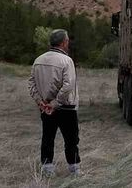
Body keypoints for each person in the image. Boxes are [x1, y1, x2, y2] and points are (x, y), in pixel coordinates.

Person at [28, 29, 81, 177]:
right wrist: (55, 103)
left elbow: (31, 84)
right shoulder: (66, 61)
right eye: (68, 40)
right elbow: (68, 85)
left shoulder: (38, 60)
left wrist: (41, 102)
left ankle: (47, 170)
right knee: (71, 140)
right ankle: (74, 170)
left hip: (46, 107)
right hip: (66, 107)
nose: (68, 42)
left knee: (47, 138)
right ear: (64, 42)